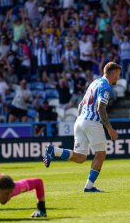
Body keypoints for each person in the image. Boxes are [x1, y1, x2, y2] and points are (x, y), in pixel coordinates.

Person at [43, 62, 121, 192]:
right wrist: (109, 128)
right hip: (92, 122)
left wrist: (82, 119)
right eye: (117, 75)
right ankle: (89, 187)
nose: (118, 78)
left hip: (79, 120)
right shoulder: (106, 86)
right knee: (100, 154)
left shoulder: (94, 83)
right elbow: (101, 109)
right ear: (112, 73)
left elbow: (80, 104)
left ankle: (54, 150)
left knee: (80, 157)